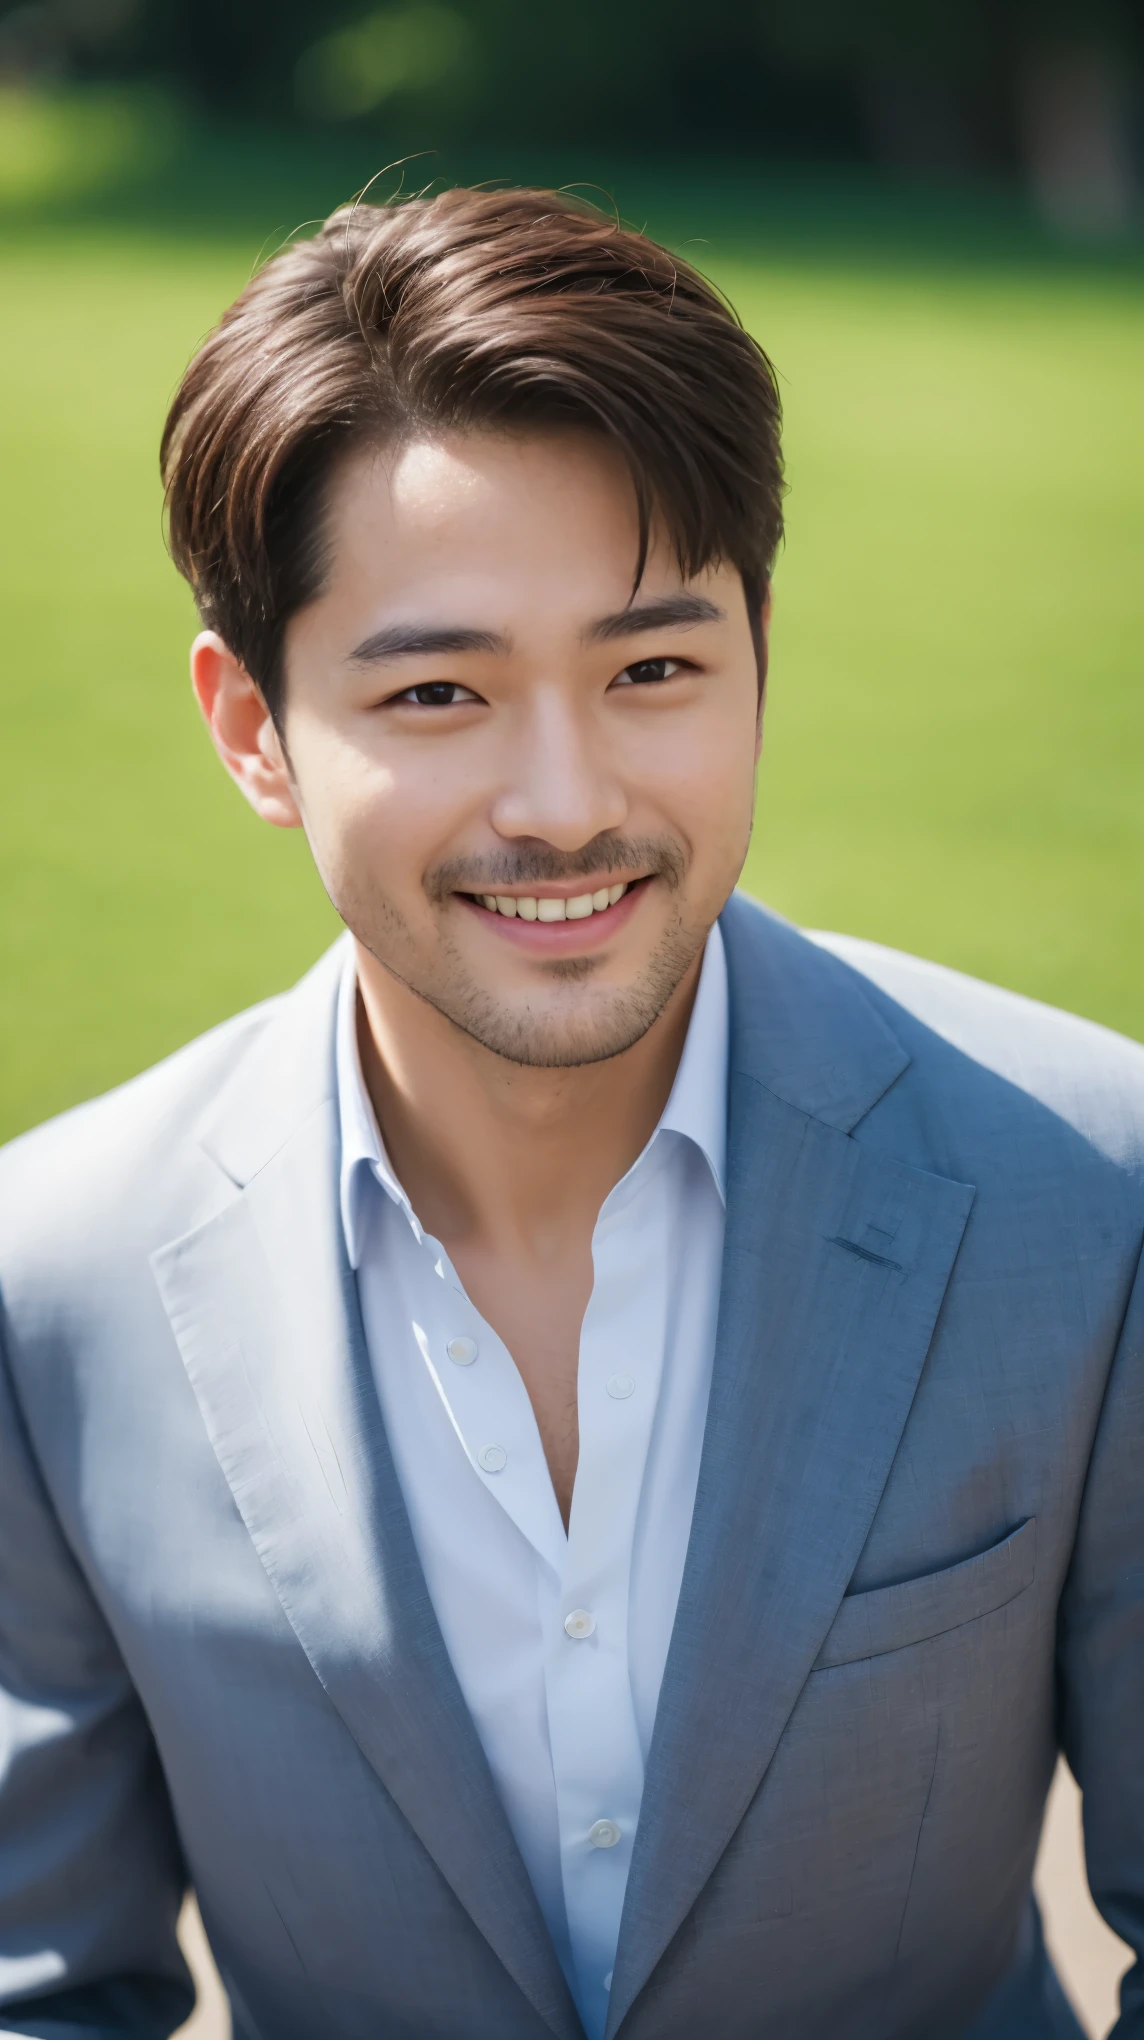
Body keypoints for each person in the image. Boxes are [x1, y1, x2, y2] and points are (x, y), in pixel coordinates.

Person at [0, 186, 1140, 2040]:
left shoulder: (1090, 1193)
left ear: (761, 656)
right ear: (252, 730)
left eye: (652, 670)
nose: (563, 798)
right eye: (440, 689)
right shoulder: (48, 1279)